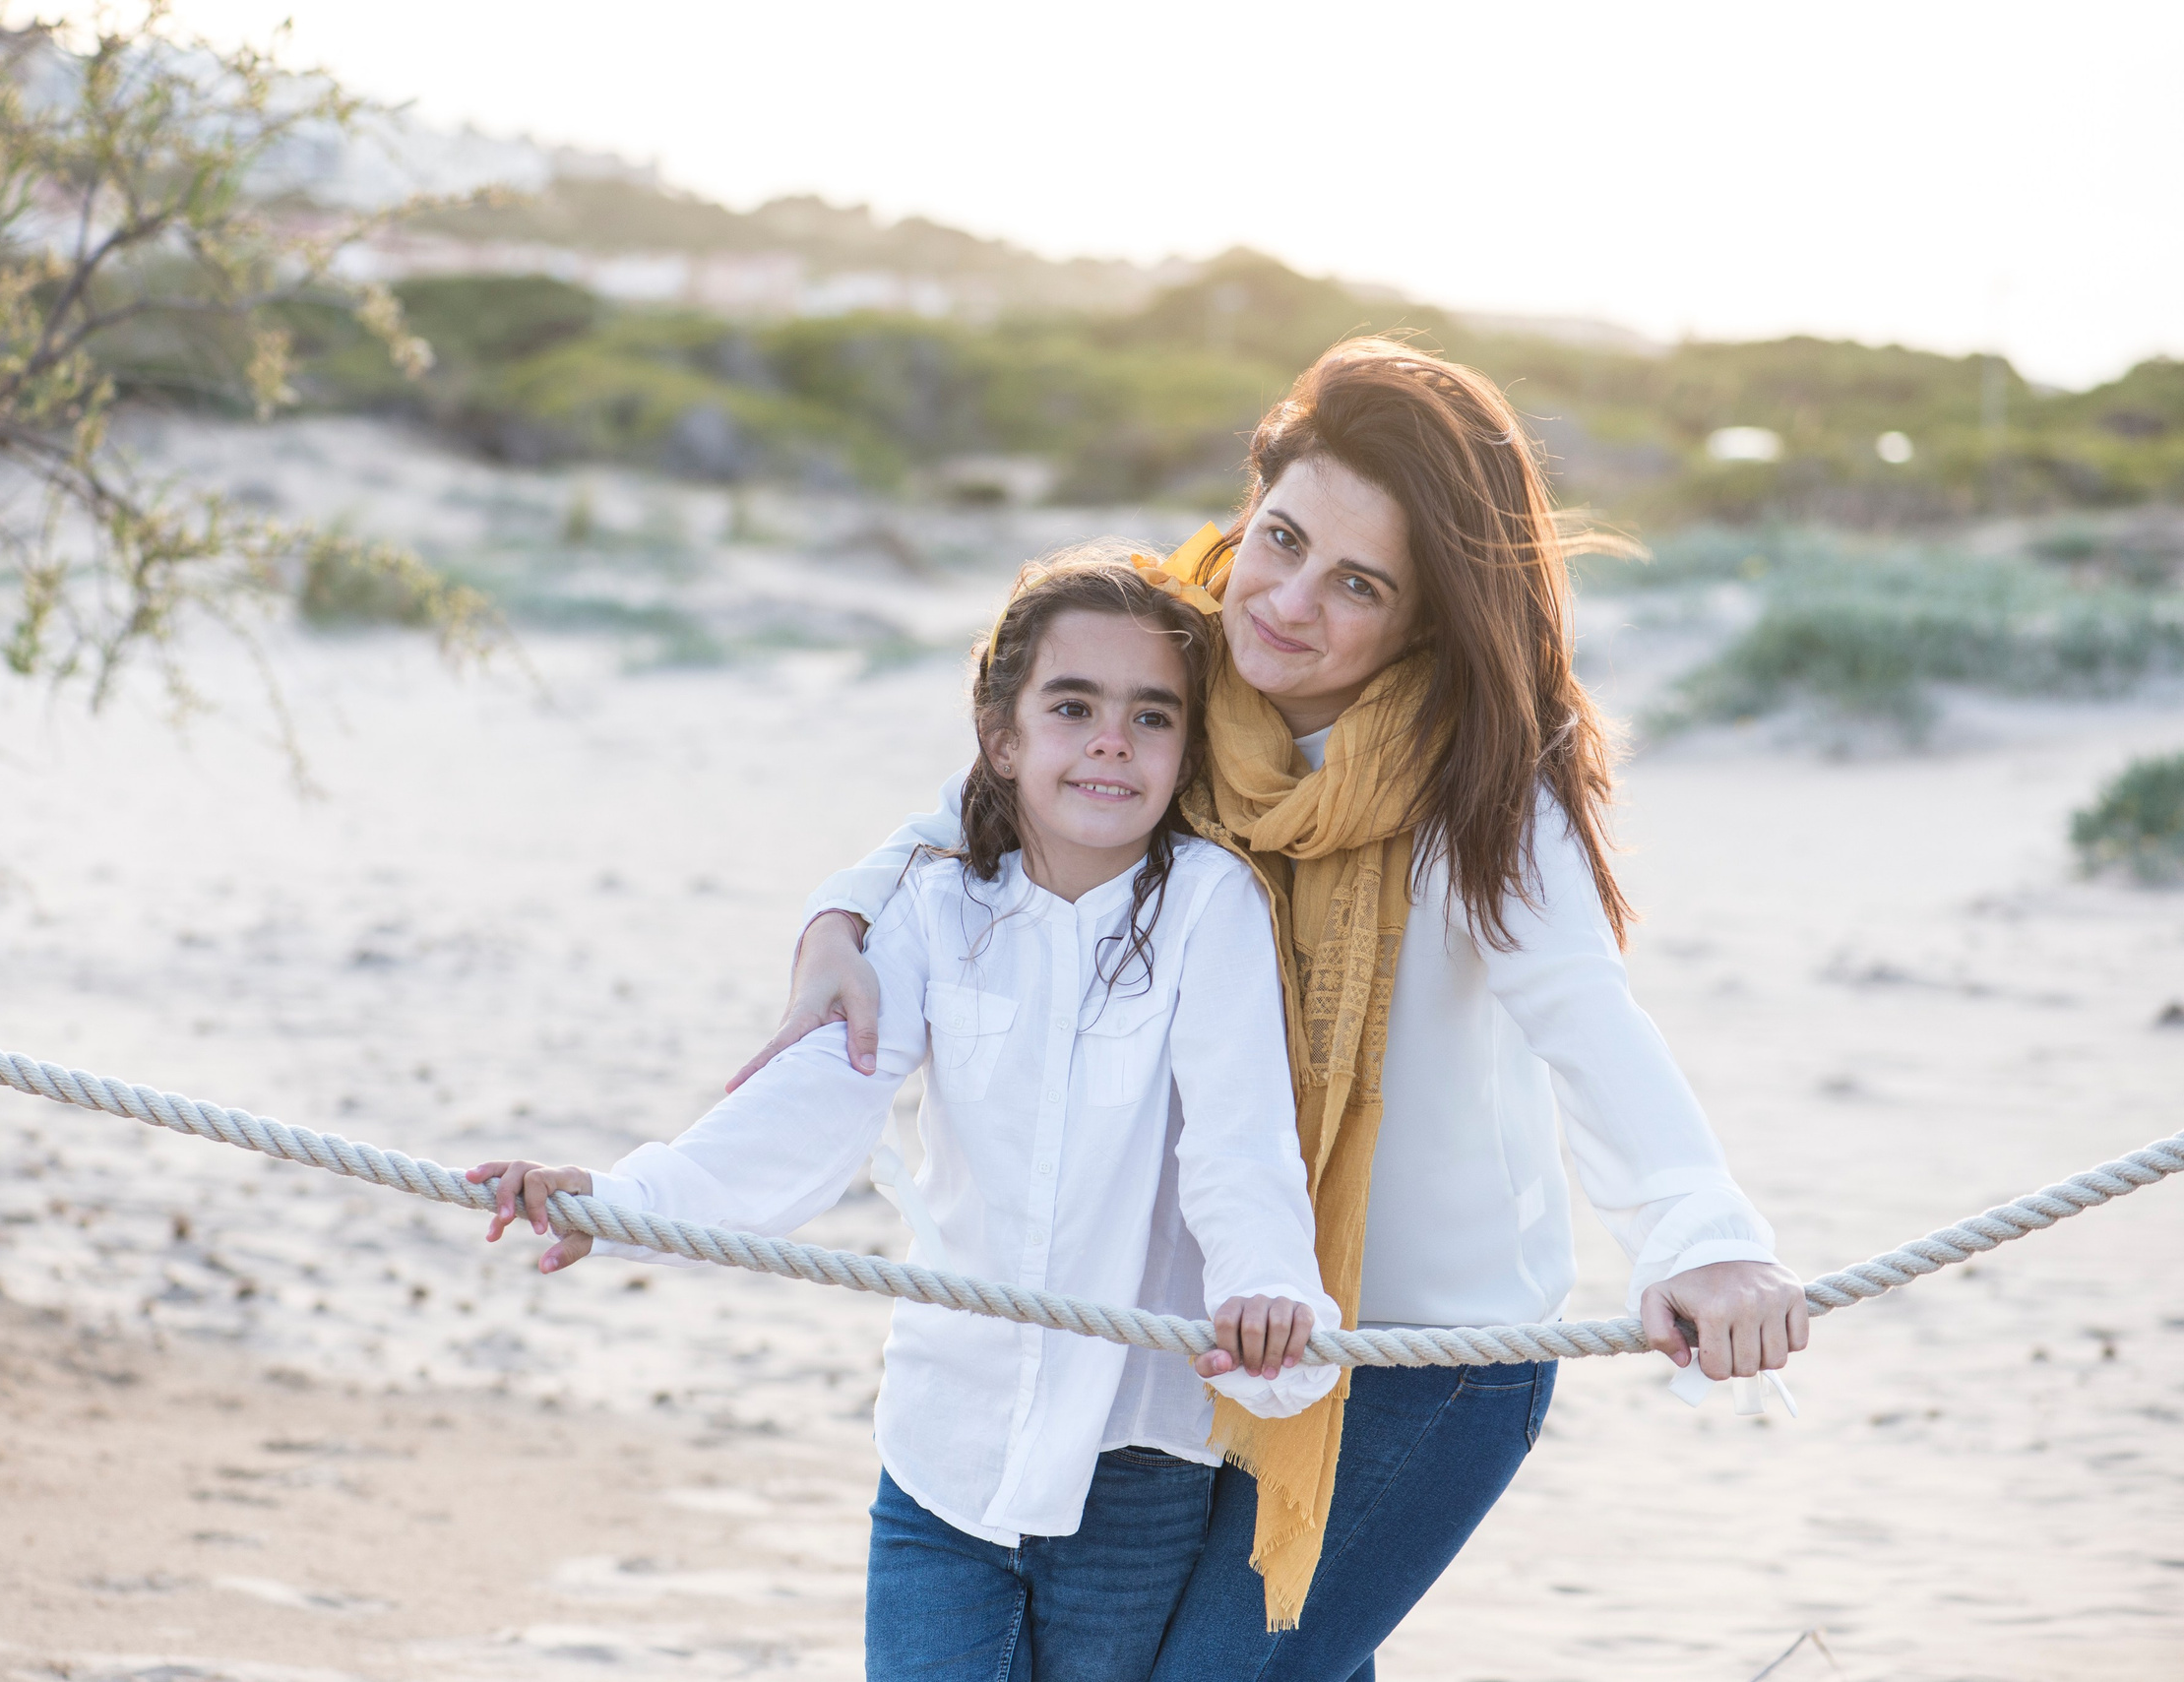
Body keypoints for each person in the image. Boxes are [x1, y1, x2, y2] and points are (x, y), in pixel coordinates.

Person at [732, 341, 1811, 1676]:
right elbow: (992, 802)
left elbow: (1590, 1023)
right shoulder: (1181, 673)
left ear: (1424, 620)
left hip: (1429, 1350)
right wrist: (839, 917)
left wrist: (1701, 1236)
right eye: (1282, 539)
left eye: (1356, 584)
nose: (1288, 602)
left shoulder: (1480, 783)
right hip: (1234, 1329)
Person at [470, 554, 1342, 1682]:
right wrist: (625, 1200)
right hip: (944, 1445)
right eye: (1071, 706)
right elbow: (820, 1094)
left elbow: (1237, 1131)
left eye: (1151, 714)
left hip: (1132, 1460)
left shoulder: (1208, 906)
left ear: (1188, 744)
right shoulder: (937, 904)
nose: (1111, 740)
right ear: (1002, 737)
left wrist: (1265, 1285)